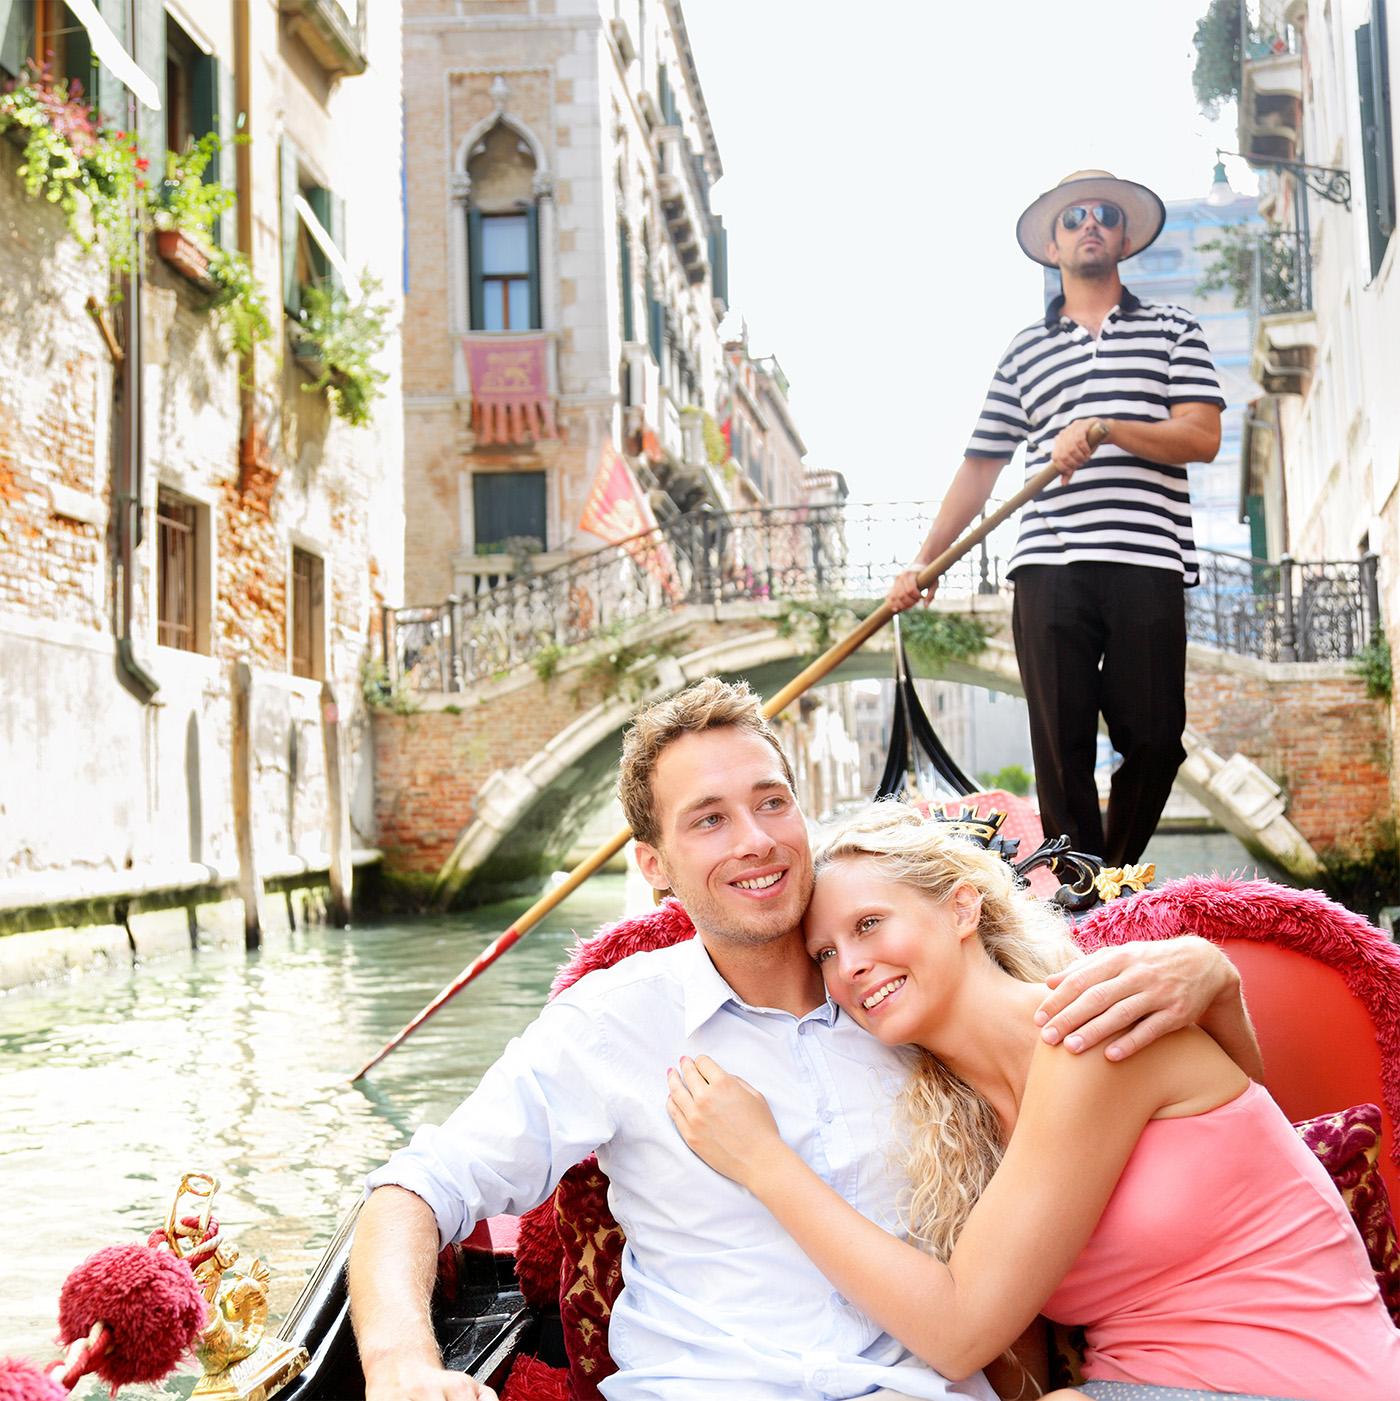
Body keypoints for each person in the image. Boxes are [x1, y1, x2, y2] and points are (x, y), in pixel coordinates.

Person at [350, 679, 1262, 1401]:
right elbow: (416, 1187)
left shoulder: (912, 993)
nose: (755, 840)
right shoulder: (614, 1020)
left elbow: (1202, 1123)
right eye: (709, 819)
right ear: (655, 868)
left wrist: (1210, 975)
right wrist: (398, 1361)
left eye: (771, 802)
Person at [667, 802, 1400, 1400]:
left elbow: (956, 1328)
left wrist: (764, 1163)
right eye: (825, 954)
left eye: (868, 924)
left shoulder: (1092, 1027)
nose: (851, 965)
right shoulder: (960, 1126)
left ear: (962, 910)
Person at [886, 170, 1225, 868]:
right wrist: (924, 563)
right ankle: (1080, 886)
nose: (1089, 224)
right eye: (1073, 218)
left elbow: (1201, 434)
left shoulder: (1173, 330)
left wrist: (1106, 426)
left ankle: (1113, 872)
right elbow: (981, 468)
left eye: (1103, 214)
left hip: (1147, 559)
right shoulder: (1023, 351)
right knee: (1061, 744)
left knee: (1158, 736)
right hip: (1048, 565)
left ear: (1124, 235)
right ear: (1053, 242)